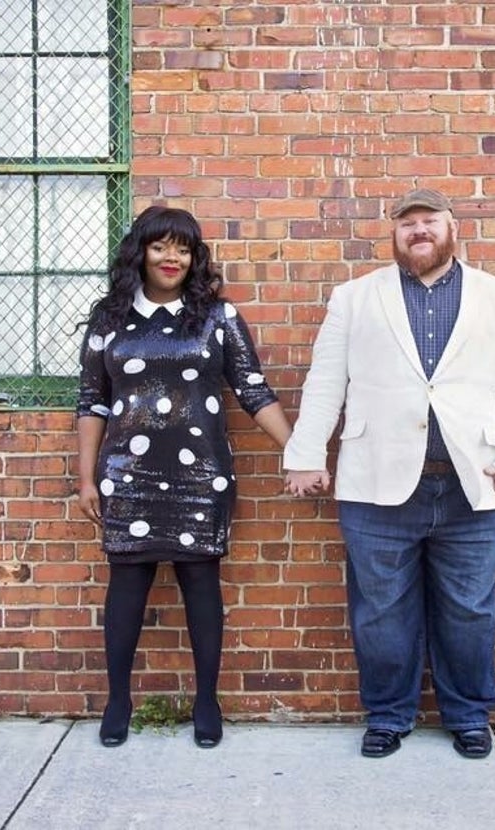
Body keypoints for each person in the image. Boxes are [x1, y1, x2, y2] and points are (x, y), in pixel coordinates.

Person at [283, 188, 495, 760]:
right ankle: (387, 715)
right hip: (375, 482)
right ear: (394, 234)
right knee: (379, 611)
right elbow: (326, 381)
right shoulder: (354, 298)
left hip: (472, 483)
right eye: (407, 223)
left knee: (470, 610)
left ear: (453, 229)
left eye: (430, 221)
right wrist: (305, 454)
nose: (418, 230)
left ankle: (468, 716)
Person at [76, 206, 292, 749]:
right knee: (127, 586)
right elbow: (91, 402)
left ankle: (206, 701)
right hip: (127, 476)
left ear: (195, 258)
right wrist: (86, 479)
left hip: (202, 476)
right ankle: (118, 700)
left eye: (183, 248)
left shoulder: (218, 317)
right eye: (160, 246)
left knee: (201, 585)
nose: (172, 258)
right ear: (140, 253)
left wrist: (297, 451)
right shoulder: (109, 319)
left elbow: (253, 389)